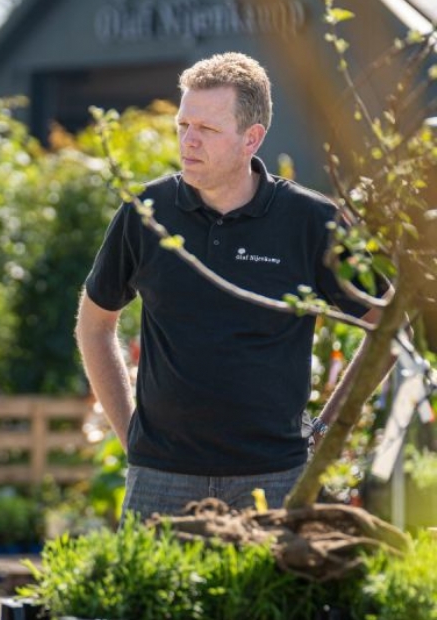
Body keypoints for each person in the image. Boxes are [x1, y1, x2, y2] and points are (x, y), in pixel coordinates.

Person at [75, 52, 380, 520]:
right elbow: (95, 325)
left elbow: (385, 325)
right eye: (183, 125)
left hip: (274, 480)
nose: (188, 141)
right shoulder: (146, 213)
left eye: (208, 130)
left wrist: (328, 428)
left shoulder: (312, 221)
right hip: (160, 480)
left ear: (251, 139)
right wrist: (130, 433)